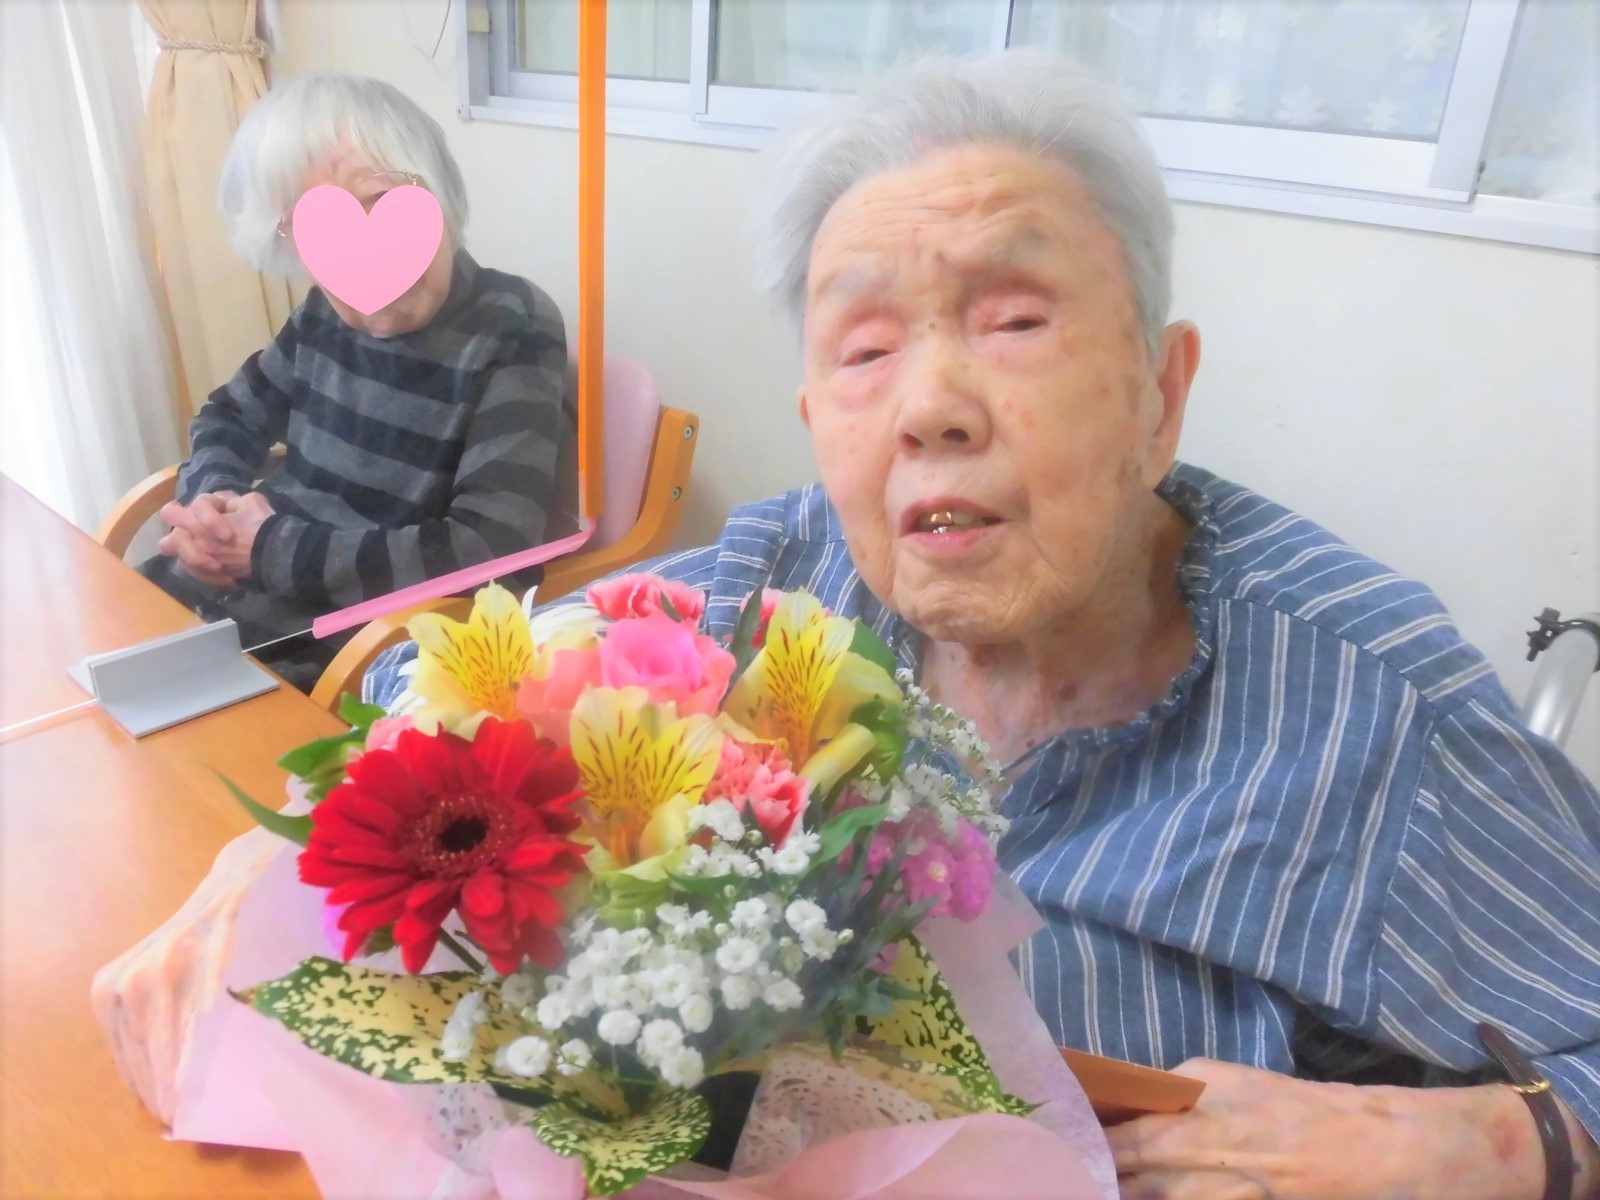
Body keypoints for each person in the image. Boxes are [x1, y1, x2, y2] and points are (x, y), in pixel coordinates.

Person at [367, 52, 1600, 1199]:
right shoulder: (769, 586)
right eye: (864, 348)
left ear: (1160, 395)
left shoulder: (1368, 706)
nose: (930, 406)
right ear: (815, 420)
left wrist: (1488, 1141)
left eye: (1014, 322)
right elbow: (443, 698)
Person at [143, 74, 574, 691]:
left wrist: (266, 549)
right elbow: (229, 416)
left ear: (439, 196)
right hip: (220, 597)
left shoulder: (511, 325)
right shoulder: (322, 314)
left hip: (345, 649)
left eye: (380, 201)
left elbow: (490, 552)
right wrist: (211, 509)